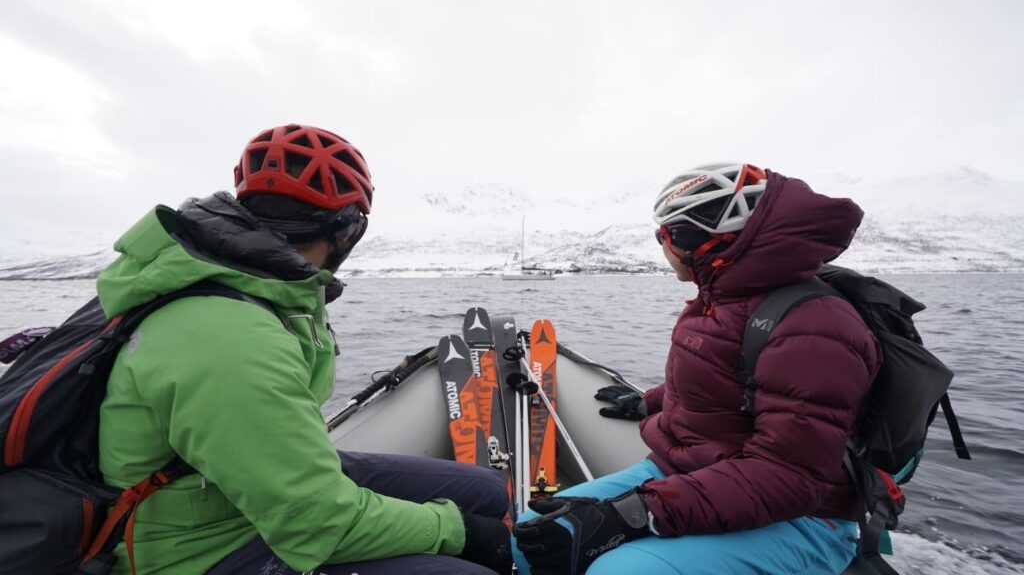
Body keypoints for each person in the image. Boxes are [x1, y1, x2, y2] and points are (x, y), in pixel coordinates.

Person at [96, 124, 512, 574]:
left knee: (486, 489)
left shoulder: (256, 288)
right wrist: (457, 531)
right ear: (347, 232)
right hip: (192, 550)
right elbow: (315, 523)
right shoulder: (230, 339)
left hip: (227, 495)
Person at [513, 163, 882, 575]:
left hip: (805, 519)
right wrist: (649, 402)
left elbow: (789, 477)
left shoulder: (815, 325)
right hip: (688, 471)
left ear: (703, 242)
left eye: (670, 235)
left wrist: (633, 514)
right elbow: (727, 389)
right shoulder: (719, 302)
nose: (663, 246)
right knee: (530, 534)